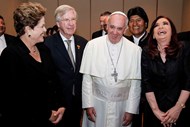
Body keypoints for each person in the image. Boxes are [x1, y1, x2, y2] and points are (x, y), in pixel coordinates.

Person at [0, 2, 66, 127]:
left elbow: (55, 81)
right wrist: (46, 114)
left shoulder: (43, 49)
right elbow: (16, 98)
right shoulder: (11, 55)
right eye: (42, 26)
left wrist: (60, 105)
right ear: (28, 29)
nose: (45, 30)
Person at [80, 11, 142, 127]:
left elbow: (135, 84)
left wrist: (131, 110)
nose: (114, 32)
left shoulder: (135, 50)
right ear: (106, 26)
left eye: (119, 29)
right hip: (97, 103)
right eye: (112, 27)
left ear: (125, 29)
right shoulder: (92, 45)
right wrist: (88, 105)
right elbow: (87, 79)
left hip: (122, 106)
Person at [141, 15, 190, 127]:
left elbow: (188, 81)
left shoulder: (184, 48)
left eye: (165, 24)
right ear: (153, 34)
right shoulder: (146, 52)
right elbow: (146, 82)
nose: (160, 27)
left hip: (180, 110)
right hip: (154, 111)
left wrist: (177, 108)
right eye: (156, 25)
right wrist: (156, 111)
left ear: (172, 31)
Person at [44, 4, 88, 127]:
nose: (71, 23)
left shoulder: (83, 43)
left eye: (73, 19)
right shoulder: (47, 44)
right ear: (58, 24)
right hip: (57, 104)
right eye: (66, 20)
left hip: (78, 102)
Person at [126, 6, 149, 127]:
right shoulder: (124, 42)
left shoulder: (153, 42)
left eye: (138, 20)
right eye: (131, 20)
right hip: (129, 92)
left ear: (145, 23)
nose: (135, 24)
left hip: (150, 92)